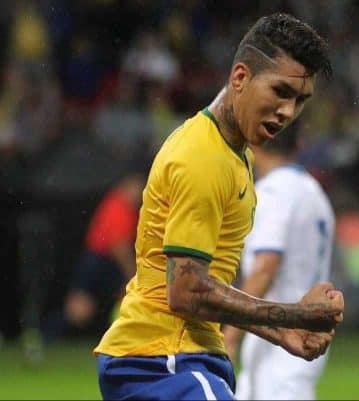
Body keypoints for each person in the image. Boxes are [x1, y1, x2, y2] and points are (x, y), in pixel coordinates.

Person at [94, 13, 344, 401]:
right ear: (240, 78)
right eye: (280, 91)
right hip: (164, 360)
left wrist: (281, 333)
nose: (288, 112)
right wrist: (294, 314)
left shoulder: (235, 156)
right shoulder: (204, 158)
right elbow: (186, 291)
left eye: (300, 101)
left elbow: (202, 289)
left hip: (171, 358)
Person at [222, 121, 336, 400]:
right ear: (298, 145)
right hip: (301, 332)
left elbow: (266, 267)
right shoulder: (313, 191)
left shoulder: (275, 192)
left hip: (281, 340)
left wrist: (230, 335)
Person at [44, 169, 144, 341]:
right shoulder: (118, 205)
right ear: (125, 185)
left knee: (125, 301)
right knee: (80, 310)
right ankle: (46, 335)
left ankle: (122, 340)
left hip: (103, 262)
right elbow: (117, 245)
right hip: (98, 262)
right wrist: (132, 273)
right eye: (136, 187)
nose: (139, 192)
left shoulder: (126, 207)